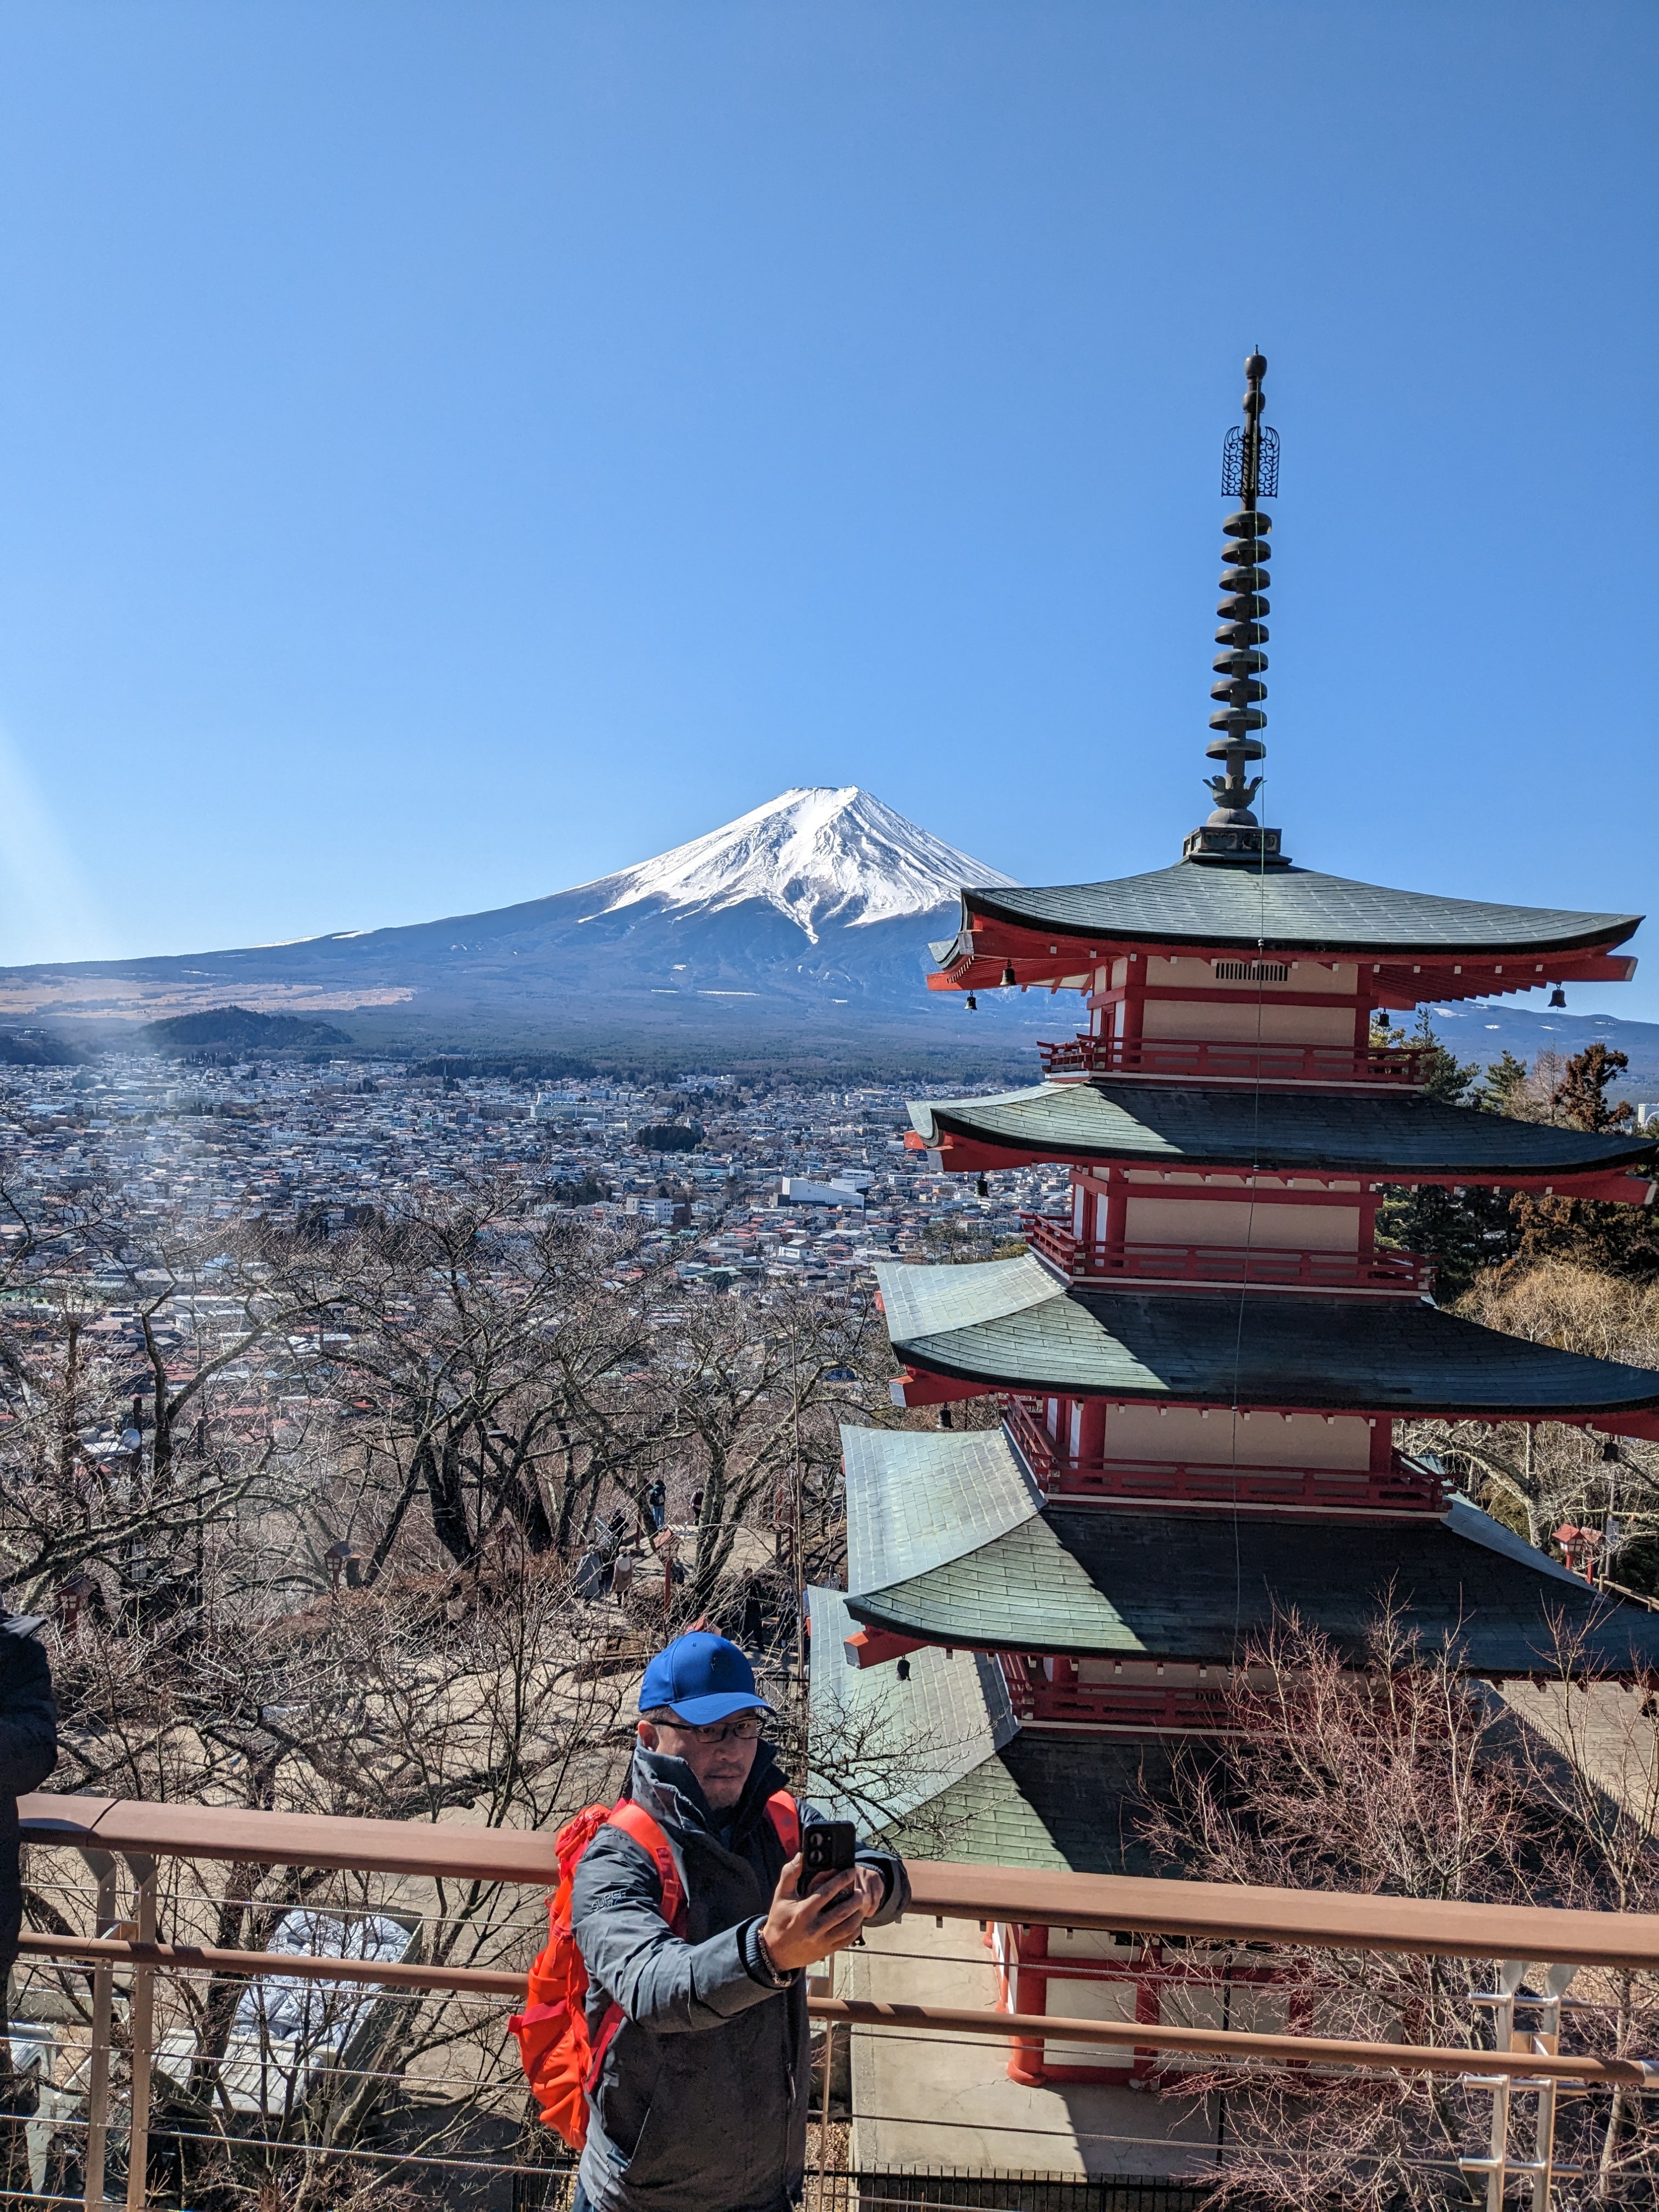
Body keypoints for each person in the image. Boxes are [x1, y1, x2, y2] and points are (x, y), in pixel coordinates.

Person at [570, 1631, 909, 2212]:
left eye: (744, 1726)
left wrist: (872, 1884)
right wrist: (767, 1954)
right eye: (705, 1730)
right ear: (648, 1737)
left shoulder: (780, 1818)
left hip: (764, 2186)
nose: (729, 1747)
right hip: (643, 2196)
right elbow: (653, 1987)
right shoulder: (619, 1855)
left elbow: (887, 1865)